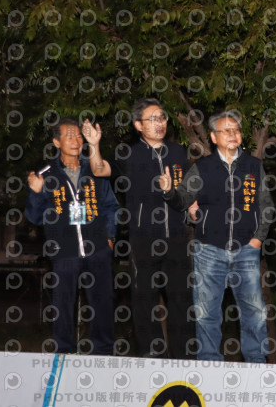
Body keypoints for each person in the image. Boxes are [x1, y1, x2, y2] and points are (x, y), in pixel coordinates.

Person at [82, 98, 194, 359]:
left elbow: (189, 190)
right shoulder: (128, 154)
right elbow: (99, 170)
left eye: (162, 117)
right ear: (138, 125)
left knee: (181, 300)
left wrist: (193, 207)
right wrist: (94, 145)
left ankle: (185, 360)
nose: (159, 123)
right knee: (145, 301)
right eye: (153, 119)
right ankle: (152, 358)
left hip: (177, 237)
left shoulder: (178, 152)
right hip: (144, 239)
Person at [160, 110, 274, 363]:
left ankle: (257, 363)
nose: (233, 134)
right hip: (209, 250)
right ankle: (209, 364)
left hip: (247, 249)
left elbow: (266, 206)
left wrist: (257, 239)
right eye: (226, 130)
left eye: (236, 130)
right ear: (213, 137)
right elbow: (182, 201)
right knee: (206, 313)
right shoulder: (202, 167)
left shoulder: (253, 166)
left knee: (254, 311)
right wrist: (169, 192)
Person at [25, 118, 119, 355]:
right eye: (69, 136)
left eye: (78, 136)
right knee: (63, 304)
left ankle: (103, 353)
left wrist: (109, 236)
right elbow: (35, 217)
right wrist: (35, 193)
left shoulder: (94, 167)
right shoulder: (46, 174)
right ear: (56, 142)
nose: (76, 141)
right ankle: (65, 352)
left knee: (102, 302)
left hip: (97, 248)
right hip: (64, 250)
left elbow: (111, 205)